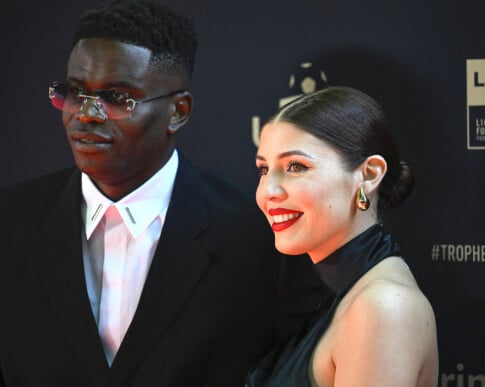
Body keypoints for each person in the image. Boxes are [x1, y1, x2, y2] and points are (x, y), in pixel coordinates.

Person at [0, 1, 326, 386]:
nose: (86, 113)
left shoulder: (260, 235)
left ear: (178, 111)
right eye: (74, 92)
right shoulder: (11, 222)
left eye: (117, 98)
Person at [246, 86, 439, 386]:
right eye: (264, 169)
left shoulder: (383, 306)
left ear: (369, 174)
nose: (268, 192)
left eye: (296, 166)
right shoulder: (348, 291)